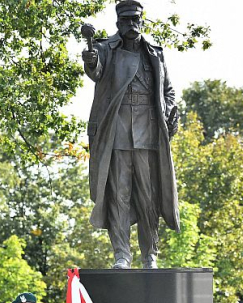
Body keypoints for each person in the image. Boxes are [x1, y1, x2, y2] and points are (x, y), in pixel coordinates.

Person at [82, 0, 180, 270]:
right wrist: (89, 59)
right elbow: (96, 69)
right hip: (117, 134)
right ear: (118, 24)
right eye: (126, 21)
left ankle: (150, 254)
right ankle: (121, 255)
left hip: (148, 135)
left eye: (135, 20)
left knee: (149, 197)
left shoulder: (155, 54)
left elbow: (168, 92)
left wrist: (171, 111)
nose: (131, 25)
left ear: (142, 22)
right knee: (119, 196)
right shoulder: (105, 50)